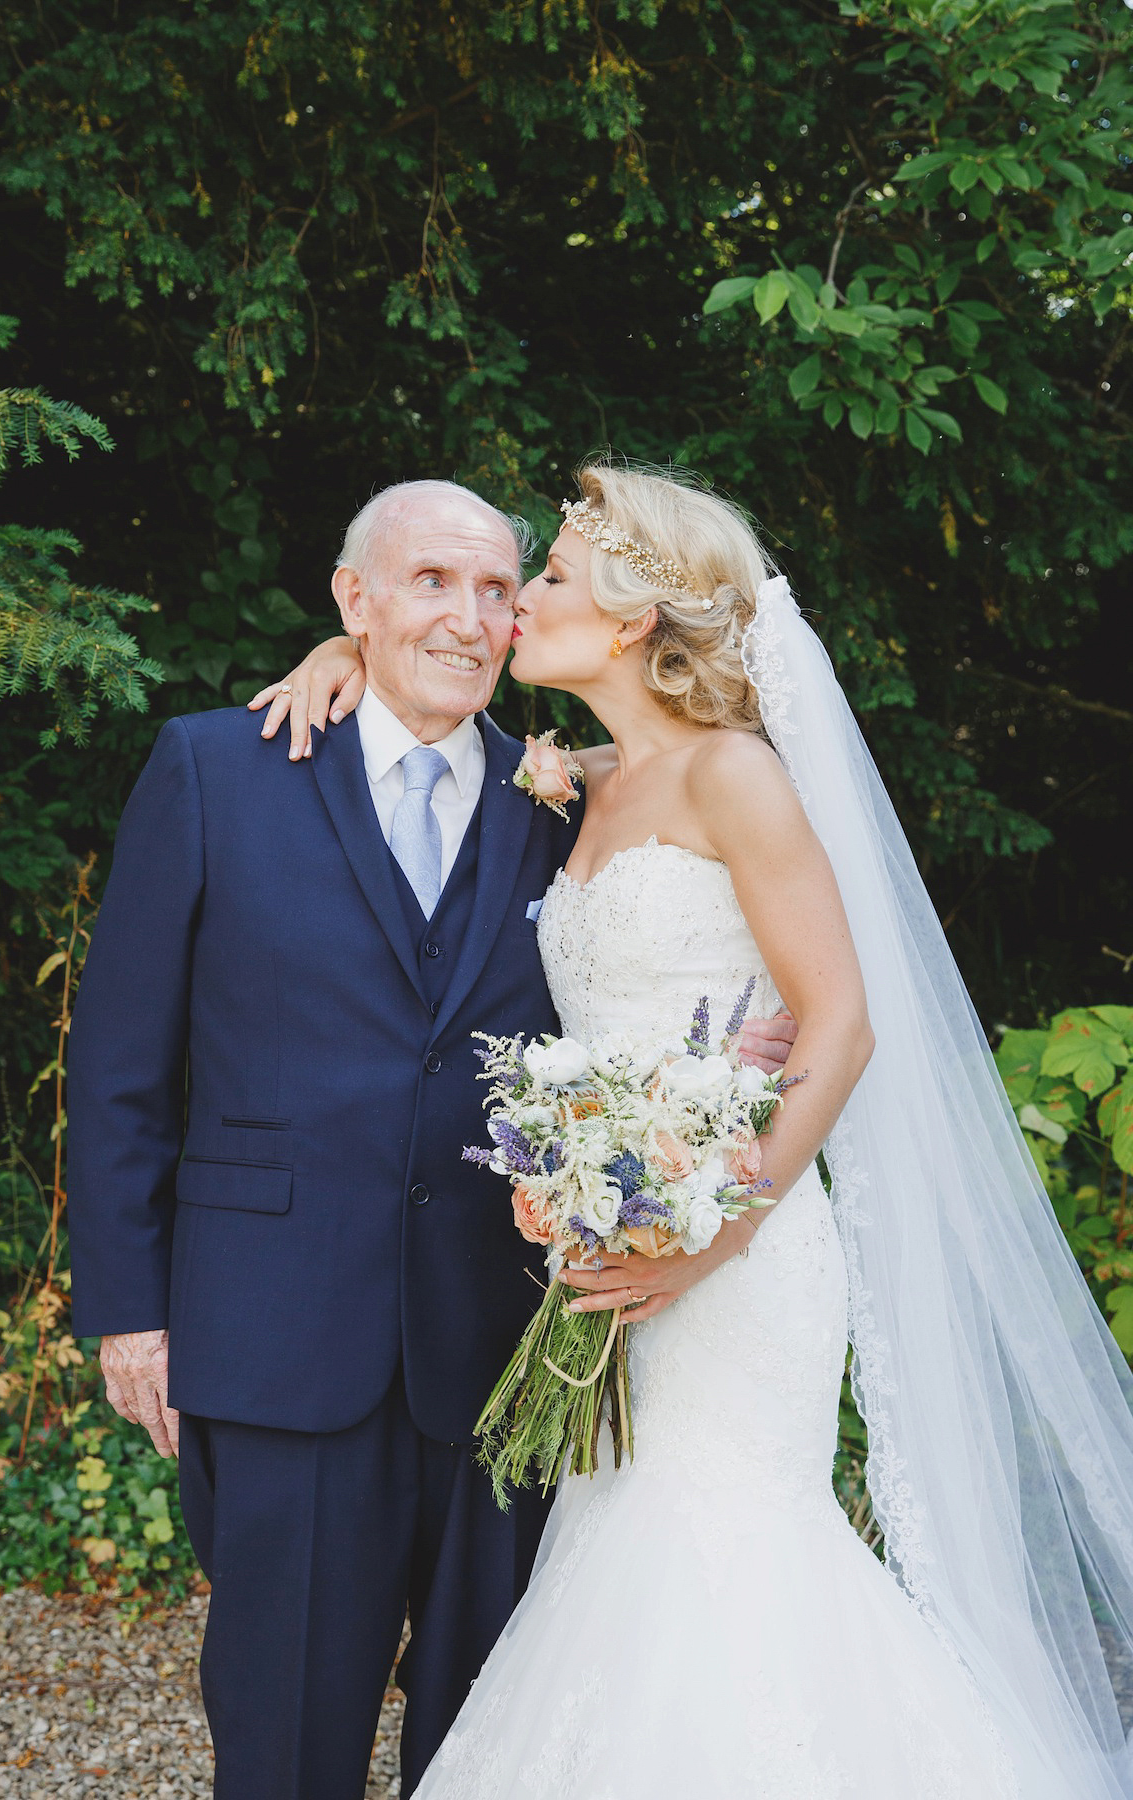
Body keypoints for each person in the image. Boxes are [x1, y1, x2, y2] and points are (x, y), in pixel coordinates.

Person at [260, 461, 1133, 1798]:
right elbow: (416, 723)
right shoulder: (568, 782)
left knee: (717, 1556)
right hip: (612, 1246)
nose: (506, 608)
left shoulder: (738, 778)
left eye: (538, 580)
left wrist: (708, 1237)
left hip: (742, 1256)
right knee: (615, 1556)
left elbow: (839, 1026)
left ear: (624, 620)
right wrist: (342, 648)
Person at [66, 477, 796, 1800]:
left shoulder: (569, 800)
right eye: (428, 584)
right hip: (277, 1339)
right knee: (282, 1735)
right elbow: (119, 1064)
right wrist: (129, 1312)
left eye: (497, 589)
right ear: (354, 601)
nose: (468, 618)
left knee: (500, 1743)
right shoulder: (214, 767)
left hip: (517, 1348)